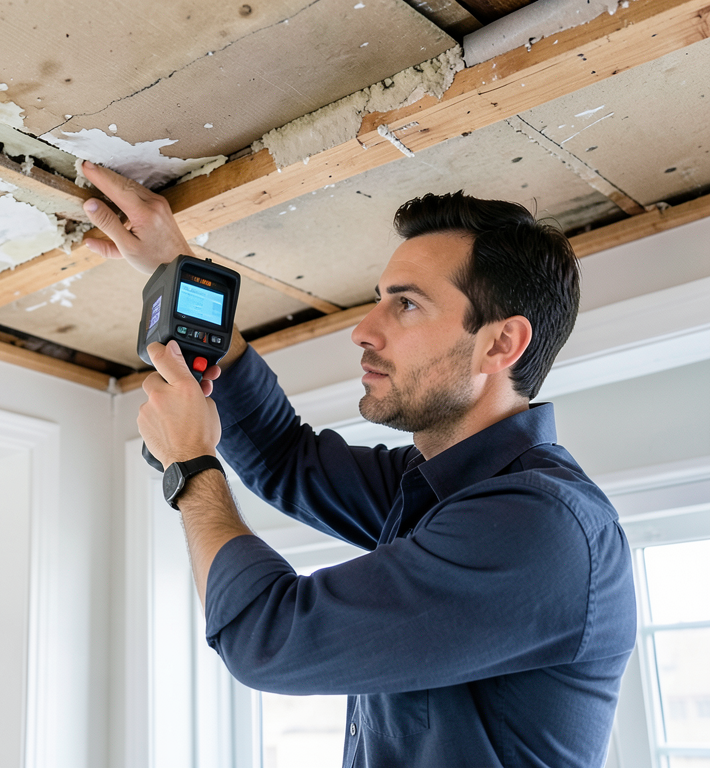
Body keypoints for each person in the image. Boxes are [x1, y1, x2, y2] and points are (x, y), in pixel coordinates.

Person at [80, 160, 637, 767]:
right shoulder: (435, 484)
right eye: (380, 300)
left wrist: (189, 465)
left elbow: (268, 638)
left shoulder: (537, 525)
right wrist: (181, 271)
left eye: (407, 305)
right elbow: (285, 459)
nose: (364, 330)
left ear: (501, 344)